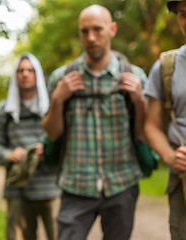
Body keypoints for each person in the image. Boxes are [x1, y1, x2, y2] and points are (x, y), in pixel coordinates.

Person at [42, 5, 148, 240]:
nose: (91, 38)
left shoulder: (135, 77)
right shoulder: (62, 77)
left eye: (97, 30)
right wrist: (58, 99)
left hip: (122, 182)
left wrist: (139, 101)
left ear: (112, 29)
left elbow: (142, 135)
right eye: (84, 31)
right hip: (76, 183)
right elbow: (51, 133)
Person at [0, 53, 61, 240]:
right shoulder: (4, 110)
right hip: (17, 190)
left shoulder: (52, 107)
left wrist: (47, 150)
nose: (25, 74)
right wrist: (9, 154)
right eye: (20, 70)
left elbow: (63, 141)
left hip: (50, 187)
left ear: (38, 75)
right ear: (15, 76)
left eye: (30, 70)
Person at [144, 1, 186, 239]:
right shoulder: (166, 66)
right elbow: (151, 125)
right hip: (182, 183)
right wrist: (171, 157)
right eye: (183, 14)